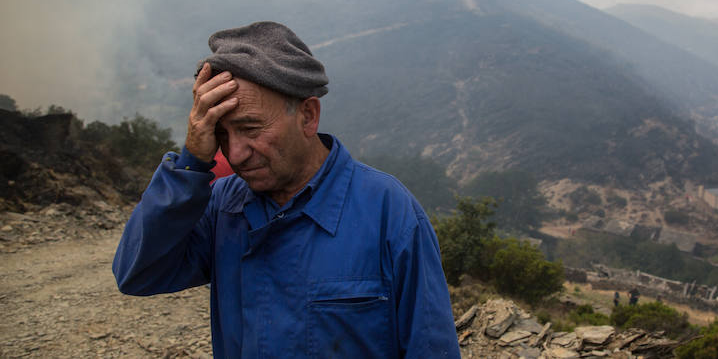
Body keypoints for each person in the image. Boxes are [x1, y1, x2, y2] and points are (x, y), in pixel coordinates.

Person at [113, 21, 460, 358]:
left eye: (251, 128)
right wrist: (191, 162)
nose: (235, 153)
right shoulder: (223, 207)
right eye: (221, 134)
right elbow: (137, 274)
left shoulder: (388, 212)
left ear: (307, 115)